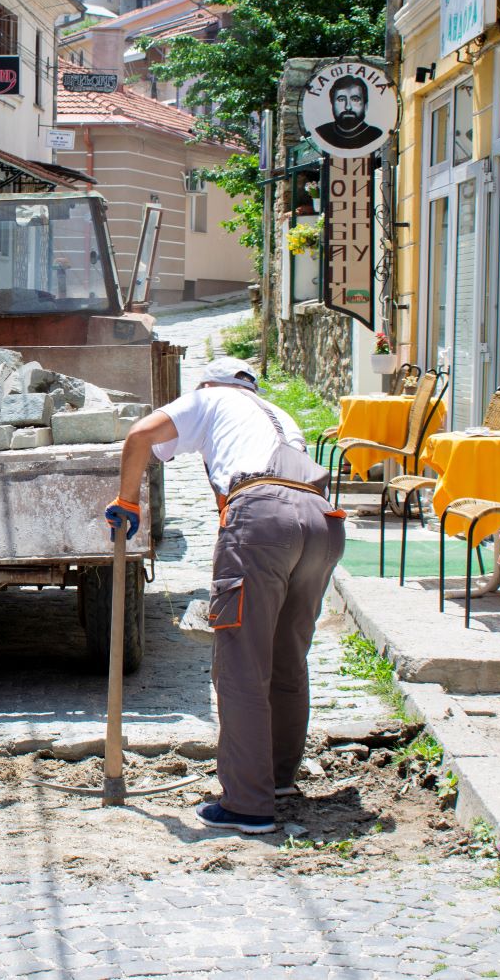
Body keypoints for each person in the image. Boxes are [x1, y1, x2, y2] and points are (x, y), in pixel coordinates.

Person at [105, 356, 345, 835]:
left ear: (209, 383)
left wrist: (127, 500)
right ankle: (275, 779)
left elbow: (139, 436)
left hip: (263, 518)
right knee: (286, 657)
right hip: (322, 523)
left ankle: (247, 805)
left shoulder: (207, 397)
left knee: (241, 662)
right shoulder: (275, 414)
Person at [313, 74, 385, 152]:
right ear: (332, 104)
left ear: (365, 105)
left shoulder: (376, 135)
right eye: (341, 100)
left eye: (355, 99)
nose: (348, 107)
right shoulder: (322, 133)